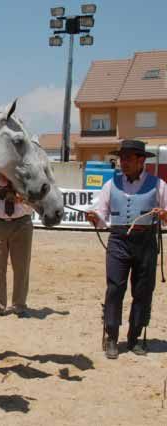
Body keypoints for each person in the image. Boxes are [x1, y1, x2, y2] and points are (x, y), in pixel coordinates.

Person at [87, 139, 167, 359]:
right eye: (122, 158)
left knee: (142, 290)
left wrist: (163, 215)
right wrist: (96, 217)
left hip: (147, 241)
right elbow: (102, 213)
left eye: (128, 158)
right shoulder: (110, 184)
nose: (123, 162)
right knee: (114, 288)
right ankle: (111, 337)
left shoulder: (159, 185)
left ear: (141, 160)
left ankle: (135, 337)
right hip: (119, 239)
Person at [0, 173, 34, 319]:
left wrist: (22, 198)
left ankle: (19, 305)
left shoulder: (26, 175)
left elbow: (37, 198)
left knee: (21, 266)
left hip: (22, 222)